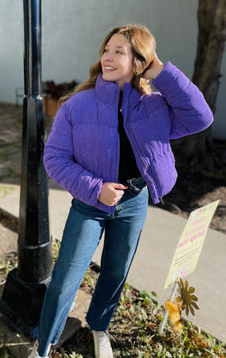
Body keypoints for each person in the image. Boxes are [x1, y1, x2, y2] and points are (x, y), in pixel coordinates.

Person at [28, 23, 213, 358]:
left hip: (134, 202)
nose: (107, 57)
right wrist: (95, 189)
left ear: (139, 60)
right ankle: (44, 346)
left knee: (115, 271)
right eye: (106, 49)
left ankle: (100, 328)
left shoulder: (155, 106)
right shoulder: (76, 105)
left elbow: (201, 117)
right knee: (67, 276)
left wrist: (161, 71)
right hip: (89, 204)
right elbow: (54, 158)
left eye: (119, 51)